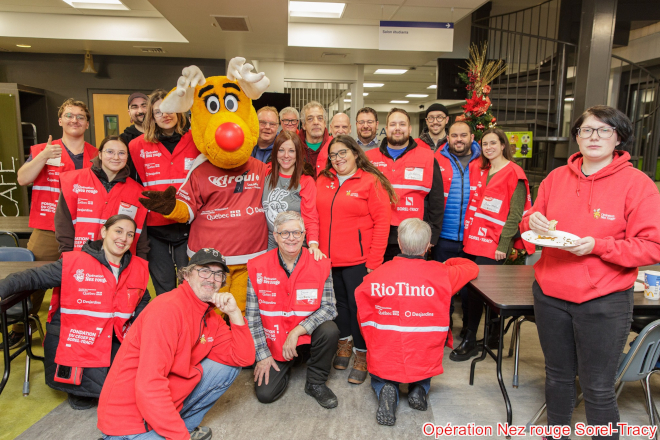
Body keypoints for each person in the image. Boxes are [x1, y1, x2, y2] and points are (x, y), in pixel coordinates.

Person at [521, 106, 660, 439]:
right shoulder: (556, 178)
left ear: (618, 137)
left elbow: (651, 246)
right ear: (577, 137)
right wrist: (531, 221)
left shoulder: (638, 185)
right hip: (550, 294)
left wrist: (599, 246)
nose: (594, 137)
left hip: (604, 300)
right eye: (586, 130)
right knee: (557, 376)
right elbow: (530, 225)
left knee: (597, 386)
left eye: (604, 130)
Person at [98, 248, 255, 440]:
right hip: (130, 421)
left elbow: (243, 358)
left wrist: (235, 314)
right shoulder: (167, 310)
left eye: (218, 274)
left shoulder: (209, 315)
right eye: (204, 271)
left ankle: (180, 427)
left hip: (159, 405)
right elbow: (150, 386)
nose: (211, 279)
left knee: (227, 367)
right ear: (187, 275)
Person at [0, 215, 151, 410]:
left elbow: (143, 297)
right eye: (118, 231)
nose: (123, 238)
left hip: (114, 338)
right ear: (104, 232)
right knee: (92, 397)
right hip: (78, 341)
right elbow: (32, 277)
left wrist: (137, 324)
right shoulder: (74, 262)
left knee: (131, 388)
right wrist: (2, 289)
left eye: (129, 234)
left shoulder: (137, 267)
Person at [354, 218, 478, 425]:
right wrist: (446, 263)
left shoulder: (376, 275)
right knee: (422, 365)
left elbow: (362, 310)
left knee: (381, 372)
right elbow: (471, 267)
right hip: (423, 347)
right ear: (428, 245)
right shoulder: (443, 274)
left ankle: (386, 388)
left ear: (399, 243)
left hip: (387, 347)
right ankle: (419, 388)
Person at [10, 98, 97, 349]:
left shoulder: (96, 154)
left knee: (84, 282)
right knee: (33, 282)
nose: (74, 120)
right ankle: (21, 327)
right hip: (47, 229)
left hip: (84, 229)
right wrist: (44, 156)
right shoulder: (42, 150)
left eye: (80, 116)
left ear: (87, 123)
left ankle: (78, 331)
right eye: (69, 115)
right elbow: (23, 179)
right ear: (60, 120)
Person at [450, 128, 535, 361]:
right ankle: (494, 335)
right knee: (475, 289)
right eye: (485, 144)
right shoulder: (483, 170)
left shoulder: (514, 172)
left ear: (503, 145)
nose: (488, 148)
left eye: (493, 143)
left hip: (495, 243)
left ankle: (470, 340)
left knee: (478, 292)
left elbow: (515, 214)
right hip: (475, 240)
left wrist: (503, 245)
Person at [316, 135, 395, 384]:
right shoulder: (323, 180)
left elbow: (382, 223)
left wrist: (374, 261)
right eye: (333, 155)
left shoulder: (370, 181)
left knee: (359, 308)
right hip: (328, 261)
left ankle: (362, 353)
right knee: (338, 305)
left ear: (355, 154)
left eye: (343, 153)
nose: (338, 158)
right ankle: (345, 343)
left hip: (359, 261)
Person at [247, 211, 339, 408]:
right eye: (285, 233)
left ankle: (315, 382)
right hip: (275, 342)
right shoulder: (257, 266)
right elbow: (252, 317)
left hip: (307, 338)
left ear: (304, 235)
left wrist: (297, 331)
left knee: (330, 330)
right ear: (275, 236)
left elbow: (329, 308)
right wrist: (262, 355)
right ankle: (287, 364)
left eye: (296, 232)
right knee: (266, 394)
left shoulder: (321, 264)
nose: (291, 238)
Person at [129, 89, 199, 295]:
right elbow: (132, 186)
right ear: (151, 116)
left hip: (190, 226)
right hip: (155, 230)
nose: (165, 115)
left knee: (191, 287)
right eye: (158, 112)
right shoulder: (136, 146)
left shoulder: (196, 141)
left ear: (179, 111)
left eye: (169, 109)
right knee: (164, 288)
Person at [367, 108, 444, 262]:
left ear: (409, 129)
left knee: (411, 277)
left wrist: (432, 236)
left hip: (414, 237)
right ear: (386, 128)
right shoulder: (369, 158)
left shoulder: (427, 157)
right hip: (376, 236)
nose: (397, 128)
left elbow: (436, 201)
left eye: (402, 124)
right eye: (393, 124)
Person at [56, 136, 149, 259]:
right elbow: (63, 223)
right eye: (110, 152)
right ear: (100, 154)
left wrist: (140, 262)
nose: (116, 157)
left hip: (120, 262)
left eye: (121, 153)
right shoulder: (74, 181)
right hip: (80, 258)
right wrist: (68, 256)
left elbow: (140, 235)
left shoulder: (138, 192)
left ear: (127, 157)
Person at [433, 121, 481, 336]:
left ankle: (470, 331)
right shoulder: (436, 159)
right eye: (454, 135)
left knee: (473, 290)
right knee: (443, 288)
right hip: (444, 237)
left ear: (472, 137)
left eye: (463, 135)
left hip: (474, 239)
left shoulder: (485, 161)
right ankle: (445, 329)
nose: (458, 139)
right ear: (448, 137)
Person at [263, 131, 321, 256]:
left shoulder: (306, 181)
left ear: (298, 153)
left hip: (296, 247)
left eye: (291, 151)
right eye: (281, 150)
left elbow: (311, 217)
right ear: (275, 152)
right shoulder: (266, 175)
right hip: (272, 247)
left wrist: (313, 245)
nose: (286, 155)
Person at [120, 92, 149, 183]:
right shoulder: (123, 140)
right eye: (135, 107)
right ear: (129, 113)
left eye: (144, 106)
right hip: (133, 189)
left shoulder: (162, 136)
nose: (140, 111)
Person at [299, 101, 333, 176]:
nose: (316, 122)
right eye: (310, 119)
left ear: (325, 123)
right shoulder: (295, 146)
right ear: (304, 125)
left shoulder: (334, 145)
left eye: (320, 118)